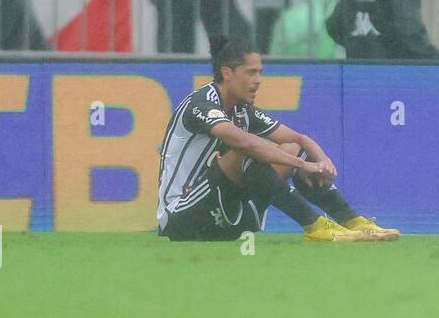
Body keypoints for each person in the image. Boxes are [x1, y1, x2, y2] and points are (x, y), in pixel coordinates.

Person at [157, 34, 398, 242]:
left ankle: (353, 221)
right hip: (182, 218)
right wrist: (303, 165)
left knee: (292, 149)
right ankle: (315, 226)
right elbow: (245, 143)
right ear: (227, 73)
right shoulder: (200, 104)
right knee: (249, 151)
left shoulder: (242, 110)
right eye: (251, 73)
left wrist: (321, 161)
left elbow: (301, 139)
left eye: (259, 72)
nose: (258, 80)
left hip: (224, 218)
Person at [268, 0, 347, 59]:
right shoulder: (336, 13)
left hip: (291, 71)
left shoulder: (287, 17)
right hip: (326, 70)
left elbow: (275, 55)